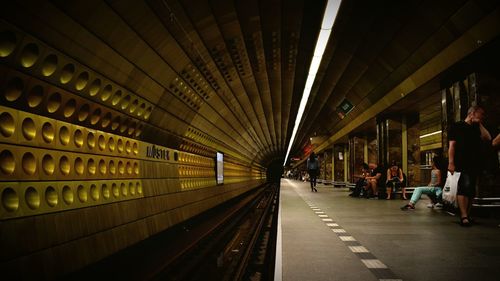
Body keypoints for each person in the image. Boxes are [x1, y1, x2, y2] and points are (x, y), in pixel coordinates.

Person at [448, 105, 491, 226]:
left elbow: (488, 137)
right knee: (464, 186)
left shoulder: (477, 128)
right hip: (462, 162)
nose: (482, 117)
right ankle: (463, 215)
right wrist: (451, 162)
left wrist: (480, 124)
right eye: (480, 114)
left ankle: (468, 214)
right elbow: (452, 145)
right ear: (472, 113)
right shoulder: (457, 126)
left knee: (471, 189)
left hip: (475, 163)